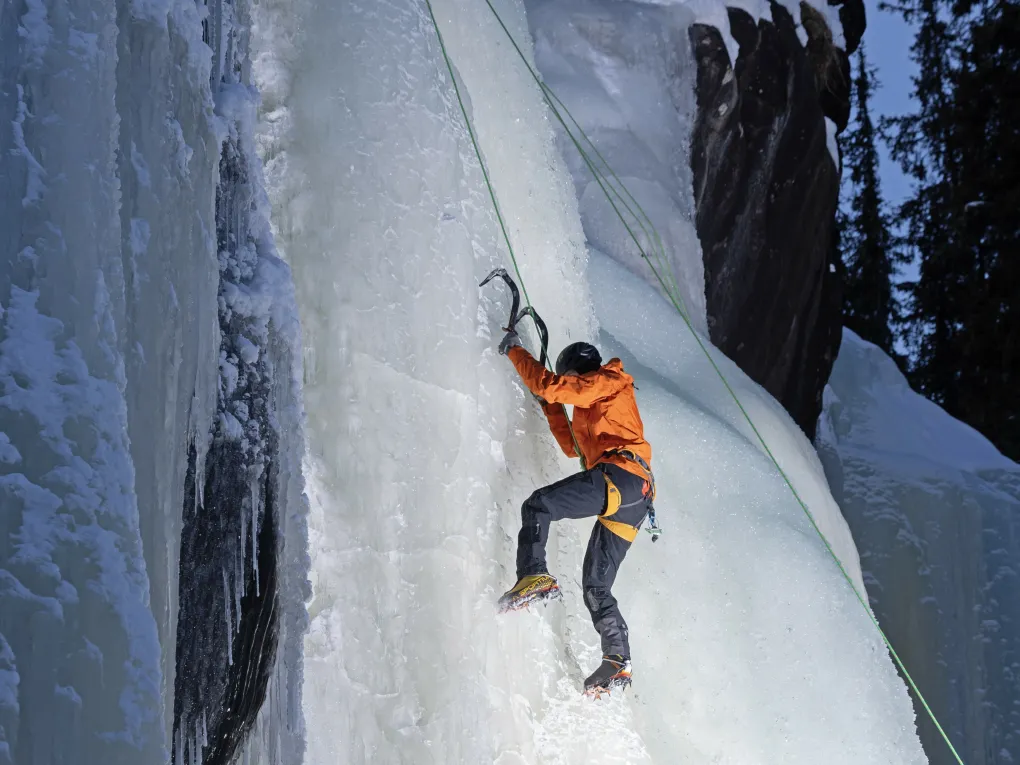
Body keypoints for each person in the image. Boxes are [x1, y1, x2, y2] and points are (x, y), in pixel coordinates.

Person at [496, 330, 654, 695]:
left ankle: (533, 575)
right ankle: (618, 661)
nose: (570, 386)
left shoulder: (609, 381)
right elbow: (572, 447)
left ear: (579, 372)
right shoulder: (593, 407)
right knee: (597, 588)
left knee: (539, 505)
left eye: (571, 379)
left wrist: (516, 352)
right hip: (635, 498)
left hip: (623, 479)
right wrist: (547, 403)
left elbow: (553, 387)